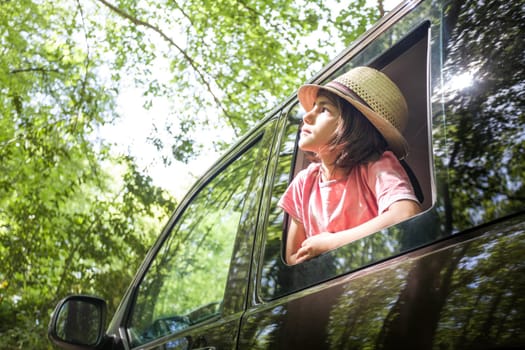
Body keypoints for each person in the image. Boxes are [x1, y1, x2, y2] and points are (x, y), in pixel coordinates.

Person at [279, 66, 421, 265]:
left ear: (353, 126)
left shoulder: (375, 166)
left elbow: (406, 213)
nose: (307, 116)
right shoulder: (303, 184)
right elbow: (293, 259)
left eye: (323, 109)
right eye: (312, 108)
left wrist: (330, 243)